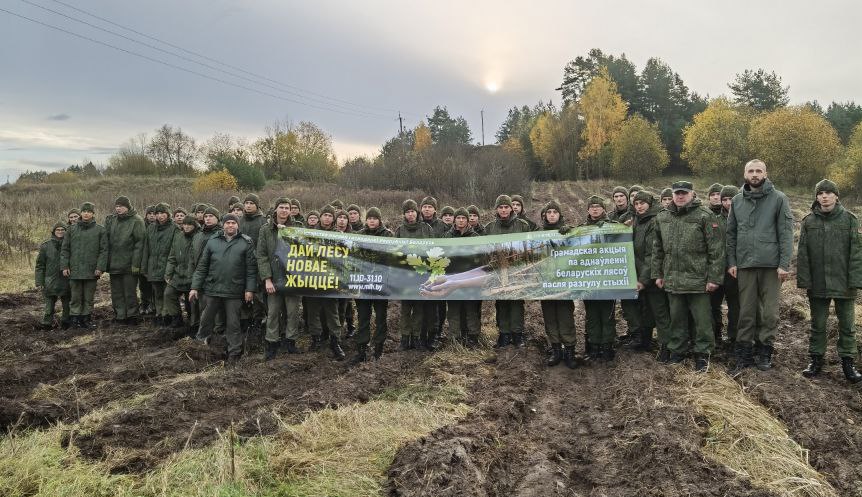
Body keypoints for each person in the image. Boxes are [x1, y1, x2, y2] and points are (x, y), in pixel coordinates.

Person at [727, 159, 794, 373]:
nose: (754, 174)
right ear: (745, 174)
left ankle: (765, 349)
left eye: (758, 171)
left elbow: (786, 234)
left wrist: (784, 264)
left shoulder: (779, 199)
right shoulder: (737, 201)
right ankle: (744, 350)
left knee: (770, 313)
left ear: (765, 174)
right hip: (745, 264)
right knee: (746, 311)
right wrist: (732, 262)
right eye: (751, 171)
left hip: (771, 266)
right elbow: (731, 235)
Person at [653, 181, 725, 372]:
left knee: (702, 320)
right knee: (676, 318)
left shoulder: (704, 216)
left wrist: (714, 278)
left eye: (684, 193)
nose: (680, 196)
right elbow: (657, 249)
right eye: (677, 193)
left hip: (698, 279)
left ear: (692, 194)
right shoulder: (663, 217)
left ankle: (703, 354)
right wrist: (657, 274)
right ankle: (678, 350)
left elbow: (716, 251)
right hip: (673, 278)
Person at [796, 179, 862, 383]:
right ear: (816, 197)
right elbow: (803, 254)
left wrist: (856, 280)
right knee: (817, 323)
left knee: (848, 325)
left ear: (836, 196)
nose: (824, 196)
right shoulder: (808, 221)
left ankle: (848, 364)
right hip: (818, 283)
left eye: (828, 193)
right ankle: (816, 360)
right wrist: (805, 280)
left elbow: (857, 253)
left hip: (844, 282)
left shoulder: (850, 220)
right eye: (820, 193)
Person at [190, 214, 257, 363]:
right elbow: (202, 267)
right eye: (228, 223)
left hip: (234, 291)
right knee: (206, 319)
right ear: (223, 225)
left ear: (237, 225)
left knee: (233, 323)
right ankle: (200, 346)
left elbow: (251, 270)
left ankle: (234, 352)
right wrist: (194, 287)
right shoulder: (213, 241)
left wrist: (249, 290)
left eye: (233, 223)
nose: (230, 225)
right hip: (213, 288)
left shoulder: (246, 242)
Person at [257, 197, 304, 360]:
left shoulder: (298, 227)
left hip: (293, 278)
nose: (284, 210)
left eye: (287, 208)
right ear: (275, 209)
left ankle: (290, 342)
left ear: (291, 211)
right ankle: (272, 344)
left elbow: (304, 251)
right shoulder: (265, 230)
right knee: (273, 312)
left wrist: (289, 234)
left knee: (292, 312)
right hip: (274, 279)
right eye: (281, 207)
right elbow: (262, 256)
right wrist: (267, 279)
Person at [484, 194, 531, 348]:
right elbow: (484, 249)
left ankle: (517, 334)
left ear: (512, 208)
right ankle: (504, 334)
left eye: (506, 207)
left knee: (516, 301)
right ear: (496, 209)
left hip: (517, 268)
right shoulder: (490, 228)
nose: (504, 210)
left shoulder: (522, 225)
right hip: (498, 270)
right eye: (501, 207)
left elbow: (528, 247)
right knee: (502, 302)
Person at [352, 206, 394, 363]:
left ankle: (378, 348)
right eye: (369, 218)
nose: (372, 221)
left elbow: (394, 258)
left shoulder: (388, 236)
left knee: (381, 317)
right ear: (366, 220)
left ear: (379, 220)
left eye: (375, 218)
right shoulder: (359, 236)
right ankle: (361, 349)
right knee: (363, 317)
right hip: (363, 284)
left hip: (381, 285)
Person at [631, 190, 671, 357]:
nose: (639, 206)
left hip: (653, 277)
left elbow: (651, 255)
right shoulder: (638, 221)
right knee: (646, 311)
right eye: (636, 204)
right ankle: (645, 342)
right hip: (642, 275)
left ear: (650, 204)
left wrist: (643, 279)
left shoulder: (654, 221)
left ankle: (666, 348)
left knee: (660, 312)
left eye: (643, 203)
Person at [539, 200, 577, 368]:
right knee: (549, 317)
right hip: (546, 282)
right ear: (545, 215)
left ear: (560, 215)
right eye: (549, 212)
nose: (552, 214)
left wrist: (569, 235)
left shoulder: (568, 232)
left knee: (565, 315)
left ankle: (570, 351)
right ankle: (556, 350)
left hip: (564, 281)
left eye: (555, 212)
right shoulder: (537, 234)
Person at [580, 196, 617, 361]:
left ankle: (607, 347)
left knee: (607, 316)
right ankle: (594, 347)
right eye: (592, 207)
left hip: (607, 280)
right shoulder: (580, 229)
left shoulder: (614, 227)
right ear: (588, 210)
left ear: (603, 209)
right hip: (589, 280)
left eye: (598, 207)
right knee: (592, 315)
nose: (595, 209)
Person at [60, 202, 108, 329]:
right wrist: (65, 266)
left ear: (93, 214)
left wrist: (100, 267)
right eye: (84, 211)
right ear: (81, 213)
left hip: (92, 271)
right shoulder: (71, 229)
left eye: (89, 211)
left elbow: (104, 250)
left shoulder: (100, 230)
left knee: (88, 297)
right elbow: (65, 249)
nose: (86, 213)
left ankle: (86, 319)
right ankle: (75, 319)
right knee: (75, 296)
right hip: (74, 271)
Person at [395, 199, 434, 350]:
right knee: (405, 309)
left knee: (418, 308)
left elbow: (433, 250)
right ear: (404, 214)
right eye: (407, 212)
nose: (410, 214)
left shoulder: (426, 228)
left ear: (417, 213)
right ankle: (404, 339)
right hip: (405, 275)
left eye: (412, 211)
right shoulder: (399, 230)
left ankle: (416, 338)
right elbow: (396, 252)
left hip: (422, 275)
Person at [443, 208, 481, 348]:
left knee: (471, 310)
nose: (461, 220)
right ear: (454, 220)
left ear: (467, 221)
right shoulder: (447, 236)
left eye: (463, 218)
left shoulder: (475, 237)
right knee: (453, 310)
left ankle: (473, 338)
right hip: (452, 278)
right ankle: (455, 338)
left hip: (470, 280)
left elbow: (480, 258)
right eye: (458, 218)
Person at [104, 195, 146, 325]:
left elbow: (140, 244)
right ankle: (120, 315)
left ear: (127, 207)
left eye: (121, 206)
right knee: (116, 292)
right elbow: (107, 242)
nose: (118, 209)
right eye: (116, 206)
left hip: (129, 264)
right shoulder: (113, 220)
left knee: (129, 292)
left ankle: (132, 315)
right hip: (115, 264)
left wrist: (136, 264)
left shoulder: (137, 220)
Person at [711, 185, 741, 347]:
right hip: (717, 270)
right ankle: (715, 334)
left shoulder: (743, 218)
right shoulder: (714, 220)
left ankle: (734, 337)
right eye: (725, 199)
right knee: (713, 305)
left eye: (731, 199)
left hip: (736, 270)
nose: (728, 203)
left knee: (735, 307)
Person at [141, 203, 177, 326]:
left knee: (167, 293)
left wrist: (172, 270)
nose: (160, 216)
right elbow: (146, 249)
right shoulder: (151, 228)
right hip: (153, 266)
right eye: (158, 214)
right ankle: (159, 314)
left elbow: (175, 251)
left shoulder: (174, 228)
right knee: (157, 293)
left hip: (167, 267)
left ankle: (167, 315)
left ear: (168, 214)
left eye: (163, 213)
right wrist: (144, 267)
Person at [164, 216, 199, 333]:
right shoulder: (178, 237)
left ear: (194, 225)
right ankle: (177, 318)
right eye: (185, 224)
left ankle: (194, 324)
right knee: (168, 294)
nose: (187, 226)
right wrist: (168, 273)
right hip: (178, 275)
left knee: (193, 302)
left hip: (193, 275)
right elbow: (172, 257)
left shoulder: (199, 237)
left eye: (190, 224)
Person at [420, 196, 447, 348]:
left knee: (436, 304)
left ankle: (434, 334)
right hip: (420, 269)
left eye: (430, 207)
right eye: (425, 206)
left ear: (435, 209)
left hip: (437, 270)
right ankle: (421, 335)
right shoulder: (418, 225)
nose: (427, 209)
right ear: (421, 208)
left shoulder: (442, 226)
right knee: (421, 304)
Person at [35, 223, 71, 330]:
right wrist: (39, 281)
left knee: (67, 304)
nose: (60, 231)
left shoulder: (70, 244)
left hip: (66, 279)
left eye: (62, 229)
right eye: (58, 230)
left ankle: (66, 323)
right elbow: (40, 265)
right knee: (49, 305)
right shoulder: (46, 246)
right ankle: (46, 324)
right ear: (54, 232)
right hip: (50, 280)